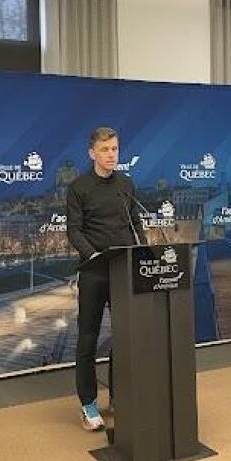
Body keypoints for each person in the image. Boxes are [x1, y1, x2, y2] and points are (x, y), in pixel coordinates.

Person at [66, 127, 145, 432]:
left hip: (123, 270)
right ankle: (88, 404)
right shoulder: (78, 187)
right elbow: (74, 230)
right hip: (94, 271)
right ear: (92, 153)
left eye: (114, 149)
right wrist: (92, 255)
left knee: (124, 336)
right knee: (88, 338)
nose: (111, 154)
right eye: (105, 149)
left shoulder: (126, 185)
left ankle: (118, 396)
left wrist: (142, 253)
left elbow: (135, 224)